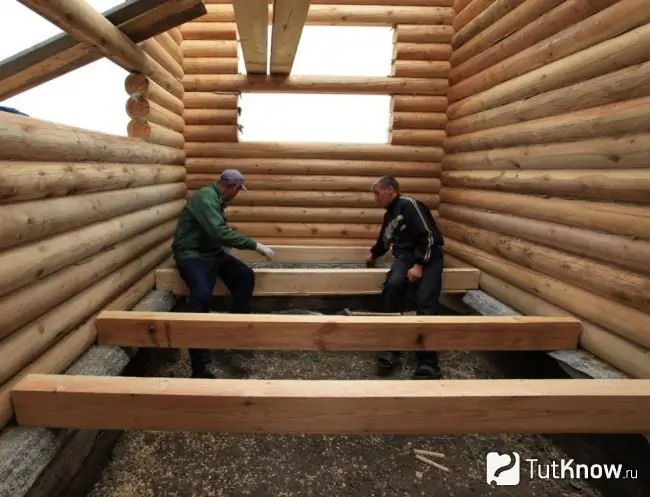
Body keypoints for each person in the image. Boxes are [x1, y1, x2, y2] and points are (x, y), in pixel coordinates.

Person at [172, 169, 274, 379]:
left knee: (244, 276)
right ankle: (199, 366)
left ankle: (237, 334)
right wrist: (254, 245)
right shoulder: (205, 198)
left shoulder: (216, 198)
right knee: (201, 297)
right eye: (238, 190)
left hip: (212, 253)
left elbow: (216, 232)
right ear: (232, 188)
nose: (237, 195)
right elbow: (217, 231)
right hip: (191, 255)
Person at [366, 175, 445, 380]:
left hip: (427, 256)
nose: (375, 198)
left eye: (377, 193)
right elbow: (384, 240)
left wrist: (419, 264)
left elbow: (428, 236)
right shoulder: (390, 215)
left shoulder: (409, 205)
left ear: (390, 190)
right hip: (404, 257)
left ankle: (428, 365)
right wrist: (372, 255)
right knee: (392, 288)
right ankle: (391, 348)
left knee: (425, 303)